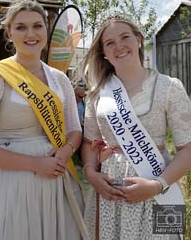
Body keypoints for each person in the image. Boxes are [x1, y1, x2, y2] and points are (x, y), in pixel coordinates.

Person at [0, 0, 85, 240]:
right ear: (9, 33)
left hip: (55, 180)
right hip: (10, 182)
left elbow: (74, 130)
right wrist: (35, 164)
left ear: (47, 30)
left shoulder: (60, 79)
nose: (31, 33)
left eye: (37, 26)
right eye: (21, 27)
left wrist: (67, 150)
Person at [82, 14, 191, 240]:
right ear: (103, 52)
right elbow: (89, 142)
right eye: (110, 43)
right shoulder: (97, 93)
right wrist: (91, 173)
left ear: (139, 40)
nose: (119, 46)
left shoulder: (169, 87)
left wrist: (156, 186)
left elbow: (188, 149)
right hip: (109, 193)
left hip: (159, 188)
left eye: (125, 37)